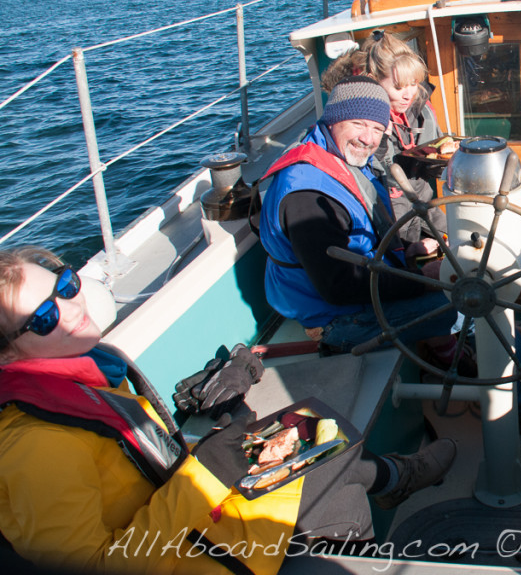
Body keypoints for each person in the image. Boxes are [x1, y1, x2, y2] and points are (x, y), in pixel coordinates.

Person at [0, 246, 457, 573]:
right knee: (333, 488)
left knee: (316, 430)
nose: (68, 308)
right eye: (42, 318)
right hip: (203, 556)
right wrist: (207, 473)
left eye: (66, 285)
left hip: (199, 523)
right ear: (8, 353)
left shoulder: (85, 374)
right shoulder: (37, 447)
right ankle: (370, 525)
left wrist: (211, 449)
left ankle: (396, 478)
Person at [258, 75, 521, 434]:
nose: (368, 138)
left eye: (376, 127)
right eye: (357, 124)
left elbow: (360, 246)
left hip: (361, 290)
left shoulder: (340, 159)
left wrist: (412, 253)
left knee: (480, 293)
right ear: (332, 119)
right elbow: (339, 288)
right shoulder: (307, 195)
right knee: (483, 306)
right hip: (336, 321)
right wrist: (425, 279)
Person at [321, 30, 447, 245]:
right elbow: (363, 176)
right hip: (389, 212)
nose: (409, 94)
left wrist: (440, 164)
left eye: (414, 83)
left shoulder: (423, 109)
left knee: (460, 239)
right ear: (375, 81)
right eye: (399, 87)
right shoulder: (362, 125)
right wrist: (379, 147)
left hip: (424, 200)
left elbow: (437, 151)